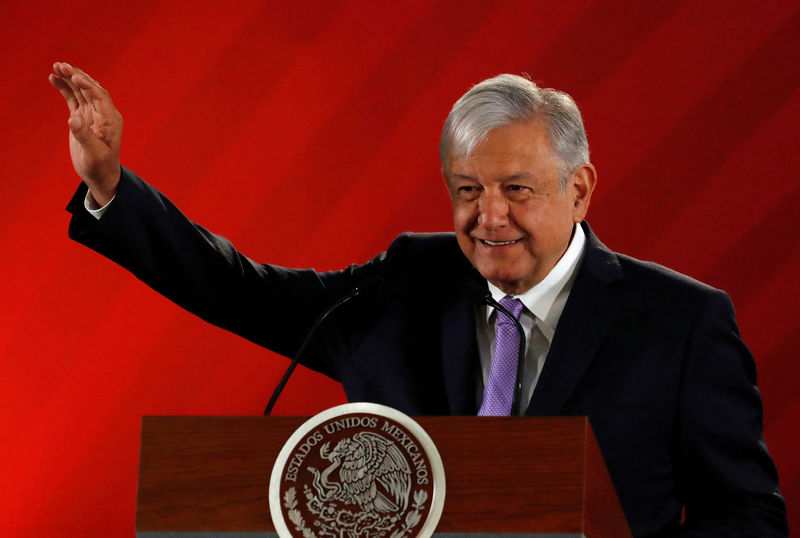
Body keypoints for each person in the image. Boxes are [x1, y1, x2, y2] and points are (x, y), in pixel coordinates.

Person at [50, 62, 788, 537]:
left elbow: (748, 516)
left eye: (517, 190)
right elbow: (244, 292)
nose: (488, 217)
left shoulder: (682, 322)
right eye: (467, 191)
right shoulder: (403, 284)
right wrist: (112, 188)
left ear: (581, 188)